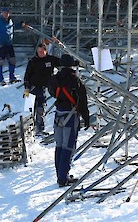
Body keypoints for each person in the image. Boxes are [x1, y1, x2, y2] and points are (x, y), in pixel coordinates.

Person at [48, 54, 89, 187]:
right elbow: (82, 100)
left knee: (59, 146)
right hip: (70, 116)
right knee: (68, 147)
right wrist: (86, 117)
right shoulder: (75, 80)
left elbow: (52, 92)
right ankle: (63, 178)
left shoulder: (54, 79)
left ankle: (60, 174)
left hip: (58, 115)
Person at [24, 43, 61, 134]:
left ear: (46, 51)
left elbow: (62, 62)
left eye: (42, 51)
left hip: (45, 86)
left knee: (41, 107)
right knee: (33, 107)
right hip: (33, 87)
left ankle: (39, 127)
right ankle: (34, 127)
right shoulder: (33, 61)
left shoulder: (50, 59)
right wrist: (26, 88)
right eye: (38, 51)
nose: (40, 53)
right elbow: (27, 75)